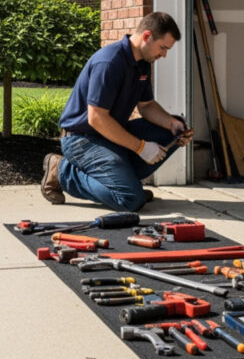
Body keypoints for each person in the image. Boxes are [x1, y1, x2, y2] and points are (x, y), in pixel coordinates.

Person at [41, 11, 193, 212]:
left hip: (107, 137)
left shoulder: (143, 64)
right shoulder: (110, 62)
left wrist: (173, 124)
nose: (164, 55)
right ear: (147, 36)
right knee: (130, 200)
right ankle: (61, 171)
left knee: (169, 132)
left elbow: (146, 106)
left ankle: (123, 183)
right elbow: (96, 118)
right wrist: (140, 147)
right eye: (163, 48)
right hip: (82, 140)